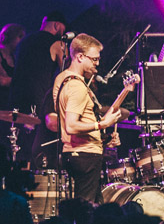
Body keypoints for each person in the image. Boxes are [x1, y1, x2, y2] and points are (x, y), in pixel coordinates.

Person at [53, 33, 123, 203]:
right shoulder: (77, 86)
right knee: (85, 211)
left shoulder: (62, 79)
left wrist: (104, 138)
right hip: (86, 155)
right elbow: (71, 126)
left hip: (73, 152)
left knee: (95, 207)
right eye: (94, 59)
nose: (97, 64)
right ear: (80, 56)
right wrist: (102, 124)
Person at [9, 12, 67, 116]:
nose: (63, 32)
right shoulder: (58, 44)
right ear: (57, 25)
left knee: (16, 130)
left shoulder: (23, 41)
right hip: (39, 100)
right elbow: (68, 70)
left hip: (15, 97)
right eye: (63, 29)